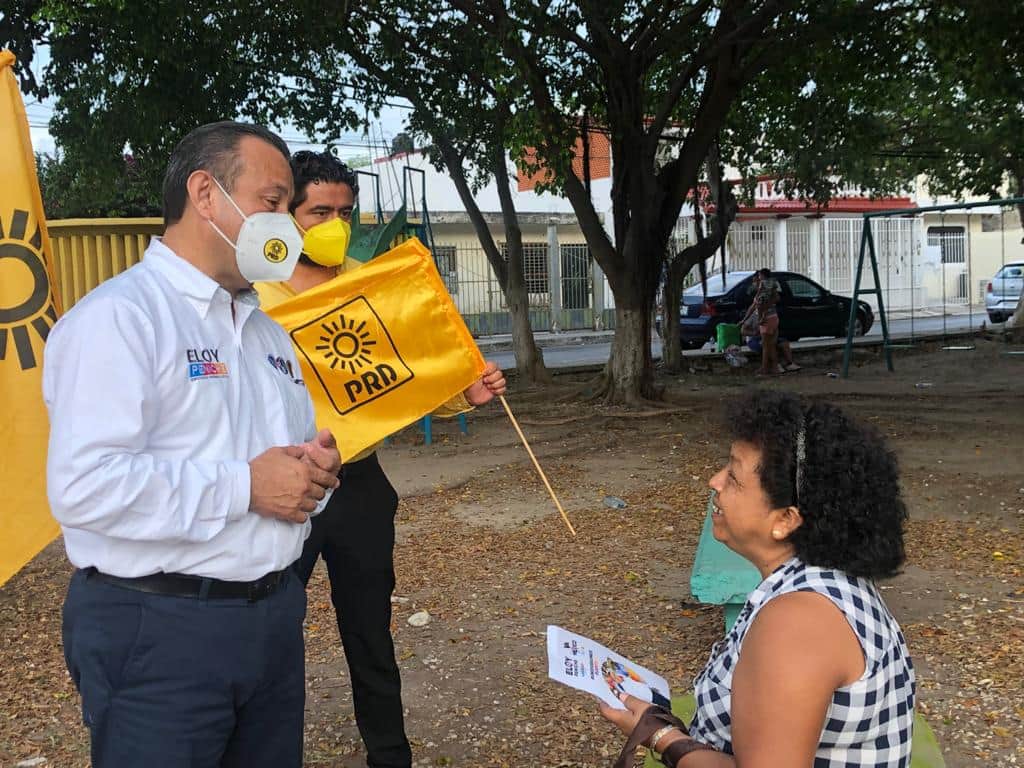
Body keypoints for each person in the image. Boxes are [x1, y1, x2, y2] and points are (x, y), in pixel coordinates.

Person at [44, 122, 342, 768]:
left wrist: (311, 476)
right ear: (205, 193)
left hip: (269, 617)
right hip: (158, 627)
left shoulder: (266, 331)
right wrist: (247, 486)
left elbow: (282, 465)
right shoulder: (120, 320)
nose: (286, 224)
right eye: (271, 201)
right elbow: (85, 486)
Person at [255, 150, 506, 768]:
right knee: (267, 638)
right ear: (287, 212)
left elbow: (408, 375)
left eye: (345, 210)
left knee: (370, 634)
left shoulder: (372, 279)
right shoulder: (251, 291)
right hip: (279, 488)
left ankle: (390, 757)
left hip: (360, 484)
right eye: (319, 211)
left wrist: (464, 393)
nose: (334, 223)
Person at [601, 390, 915, 767]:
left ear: (785, 520)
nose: (714, 481)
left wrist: (661, 736)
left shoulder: (796, 624)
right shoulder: (822, 584)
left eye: (733, 477)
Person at [740, 268, 781, 375]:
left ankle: (764, 368)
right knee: (771, 345)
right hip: (773, 317)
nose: (757, 279)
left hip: (766, 319)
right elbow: (753, 307)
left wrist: (762, 313)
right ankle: (775, 368)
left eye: (758, 276)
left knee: (766, 346)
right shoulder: (772, 285)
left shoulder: (763, 288)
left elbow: (756, 306)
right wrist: (744, 319)